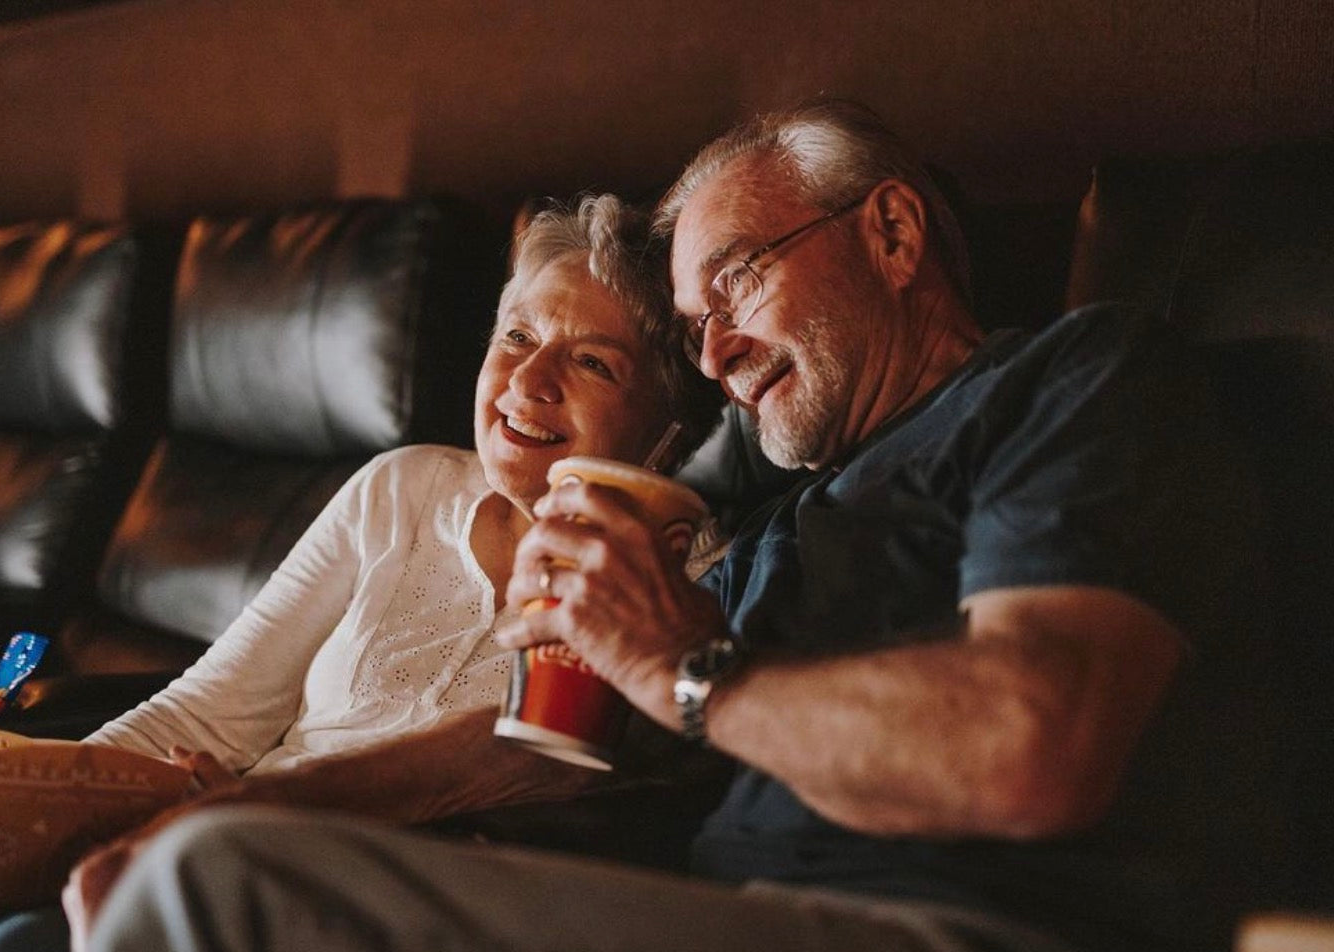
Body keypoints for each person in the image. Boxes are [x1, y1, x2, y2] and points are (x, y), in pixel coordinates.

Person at [71, 101, 1269, 952]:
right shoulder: (777, 528)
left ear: (893, 236)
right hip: (718, 908)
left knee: (206, 892)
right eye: (694, 324)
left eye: (738, 279)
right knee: (191, 866)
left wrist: (688, 663)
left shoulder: (1070, 383)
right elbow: (534, 748)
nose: (716, 354)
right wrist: (231, 802)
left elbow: (1030, 744)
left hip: (946, 921)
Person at [0, 193, 723, 952]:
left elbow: (542, 804)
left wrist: (250, 820)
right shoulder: (403, 488)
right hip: (219, 855)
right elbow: (203, 714)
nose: (530, 380)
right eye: (518, 335)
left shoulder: (688, 595)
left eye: (593, 362)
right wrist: (39, 808)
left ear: (670, 432)